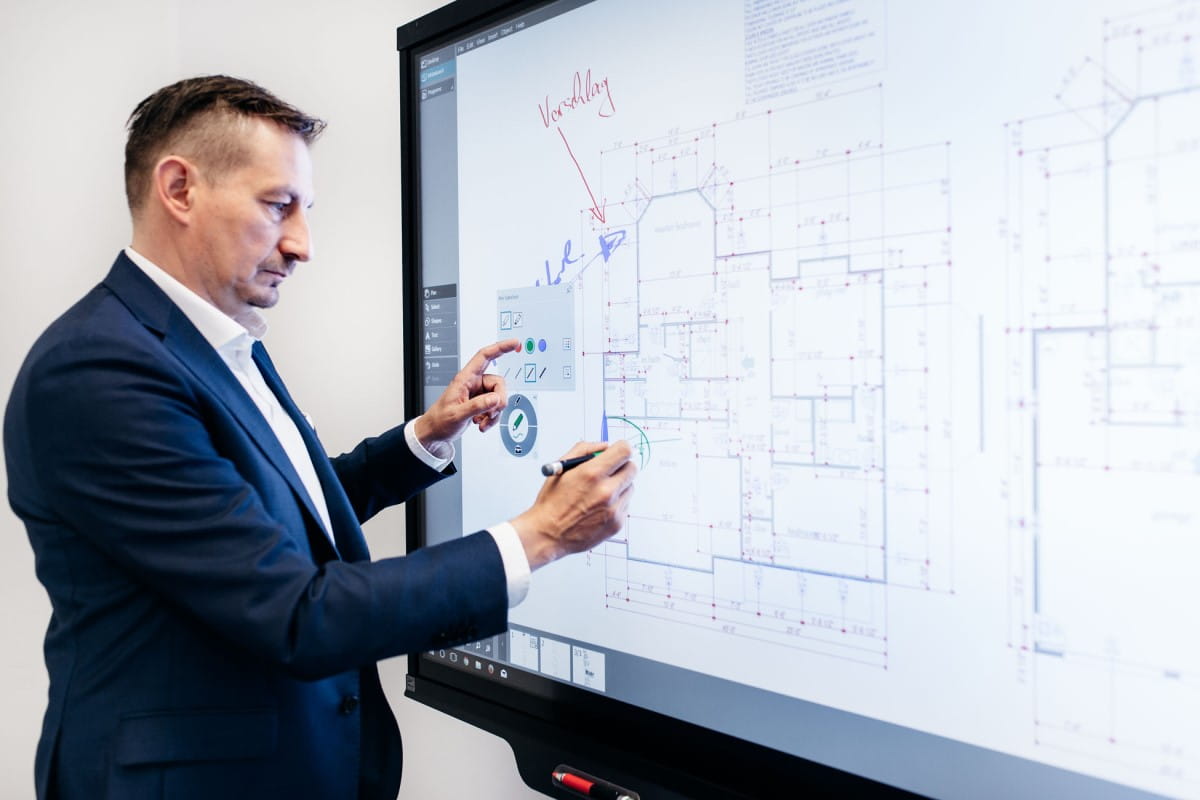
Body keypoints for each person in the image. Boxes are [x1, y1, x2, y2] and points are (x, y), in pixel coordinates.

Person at [3, 75, 636, 800]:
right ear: (179, 189)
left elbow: (268, 517)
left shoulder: (209, 339)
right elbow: (296, 612)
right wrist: (541, 536)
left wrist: (424, 439)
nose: (303, 244)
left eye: (306, 209)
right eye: (279, 207)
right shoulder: (96, 371)